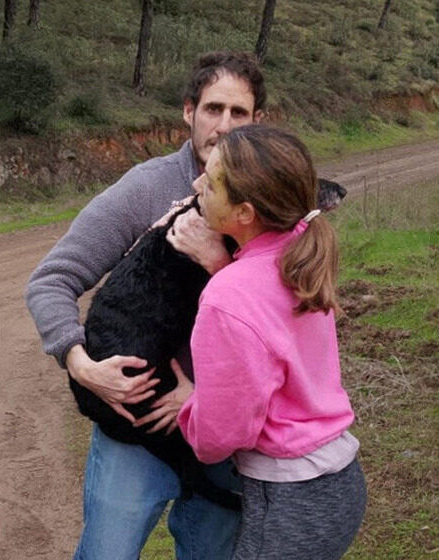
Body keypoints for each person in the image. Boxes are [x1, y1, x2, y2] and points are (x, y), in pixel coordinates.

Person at [25, 51, 266, 559]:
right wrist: (80, 364)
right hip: (135, 430)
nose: (224, 126)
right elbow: (51, 280)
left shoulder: (271, 200)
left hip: (221, 426)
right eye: (213, 109)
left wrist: (202, 395)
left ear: (258, 120)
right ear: (189, 112)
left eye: (238, 113)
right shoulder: (146, 188)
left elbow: (283, 318)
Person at [158, 124, 364, 560]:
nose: (197, 184)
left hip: (289, 502)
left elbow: (219, 437)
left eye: (211, 182)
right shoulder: (299, 251)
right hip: (340, 480)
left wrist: (190, 404)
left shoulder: (228, 296)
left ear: (245, 213)